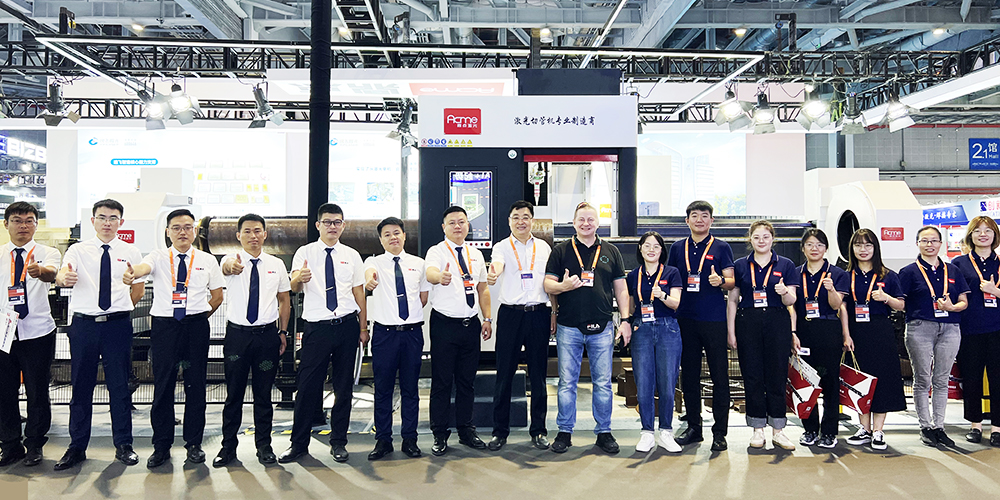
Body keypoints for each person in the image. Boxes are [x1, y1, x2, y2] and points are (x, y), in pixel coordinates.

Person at [124, 208, 225, 468]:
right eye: (177, 227)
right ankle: (161, 446)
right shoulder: (158, 256)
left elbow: (217, 297)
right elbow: (143, 268)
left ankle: (194, 444)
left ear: (195, 231)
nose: (182, 232)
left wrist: (198, 317)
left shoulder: (207, 260)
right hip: (165, 327)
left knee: (196, 386)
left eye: (188, 227)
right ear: (168, 232)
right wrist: (133, 273)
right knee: (163, 386)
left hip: (195, 327)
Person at [54, 199, 145, 470]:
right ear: (93, 221)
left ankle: (124, 445)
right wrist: (63, 278)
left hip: (117, 326)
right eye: (102, 217)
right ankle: (76, 446)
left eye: (113, 218)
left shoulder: (131, 251)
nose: (107, 222)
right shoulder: (78, 250)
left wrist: (121, 308)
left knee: (119, 386)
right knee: (81, 386)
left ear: (121, 222)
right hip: (84, 326)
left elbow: (138, 289)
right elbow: (63, 273)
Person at [279, 203, 368, 463]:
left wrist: (363, 327)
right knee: (307, 387)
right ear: (318, 225)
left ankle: (338, 442)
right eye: (327, 222)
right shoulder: (305, 252)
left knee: (344, 387)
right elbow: (293, 286)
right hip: (317, 328)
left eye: (337, 222)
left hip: (346, 326)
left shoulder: (352, 255)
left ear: (343, 225)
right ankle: (298, 444)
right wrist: (300, 278)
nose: (332, 226)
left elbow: (359, 292)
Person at [544, 201, 630, 455]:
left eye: (590, 219)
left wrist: (625, 320)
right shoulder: (560, 250)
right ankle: (564, 431)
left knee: (603, 383)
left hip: (602, 326)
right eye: (581, 219)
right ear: (574, 223)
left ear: (598, 223)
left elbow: (621, 289)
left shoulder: (611, 251)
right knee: (566, 383)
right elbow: (547, 284)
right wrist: (564, 286)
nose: (586, 223)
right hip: (568, 326)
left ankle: (604, 432)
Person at [213, 214, 291, 467]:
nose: (253, 235)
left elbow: (284, 300)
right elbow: (227, 267)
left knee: (264, 394)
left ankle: (264, 446)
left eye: (257, 230)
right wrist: (231, 267)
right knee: (234, 394)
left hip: (266, 338)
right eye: (247, 231)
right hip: (238, 337)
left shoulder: (276, 264)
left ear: (265, 234)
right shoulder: (230, 259)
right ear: (238, 236)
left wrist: (283, 332)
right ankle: (228, 447)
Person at [667, 200, 735, 451]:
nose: (699, 220)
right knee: (690, 375)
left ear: (711, 220)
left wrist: (721, 281)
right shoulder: (677, 248)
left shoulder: (722, 247)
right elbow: (669, 278)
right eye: (694, 215)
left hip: (714, 320)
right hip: (685, 319)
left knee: (720, 376)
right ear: (687, 221)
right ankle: (694, 427)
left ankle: (720, 432)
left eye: (704, 215)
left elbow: (732, 280)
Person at [424, 206, 492, 456]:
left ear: (468, 226)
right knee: (442, 382)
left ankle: (466, 430)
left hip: (470, 325)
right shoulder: (436, 251)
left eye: (461, 222)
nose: (457, 226)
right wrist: (438, 277)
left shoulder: (476, 254)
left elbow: (482, 288)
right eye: (452, 222)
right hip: (444, 325)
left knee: (467, 382)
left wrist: (487, 318)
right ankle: (439, 434)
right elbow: (430, 273)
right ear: (444, 227)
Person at [486, 200, 553, 451]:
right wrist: (493, 273)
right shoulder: (502, 247)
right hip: (511, 315)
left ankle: (539, 430)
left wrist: (554, 312)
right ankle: (499, 432)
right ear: (509, 221)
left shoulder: (544, 248)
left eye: (525, 217)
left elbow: (550, 280)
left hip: (538, 313)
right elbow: (497, 264)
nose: (521, 221)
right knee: (504, 374)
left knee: (538, 375)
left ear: (532, 221)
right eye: (516, 217)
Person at [727, 220, 799, 450]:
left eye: (766, 237)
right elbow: (732, 300)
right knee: (752, 375)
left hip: (777, 321)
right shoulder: (740, 265)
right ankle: (757, 428)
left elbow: (792, 300)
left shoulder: (786, 264)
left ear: (773, 239)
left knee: (777, 375)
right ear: (750, 239)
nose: (761, 241)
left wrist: (784, 291)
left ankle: (779, 430)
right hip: (748, 321)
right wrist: (731, 331)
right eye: (756, 237)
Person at [364, 217, 430, 460]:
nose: (393, 237)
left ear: (404, 236)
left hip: (412, 334)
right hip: (385, 335)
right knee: (383, 389)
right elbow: (369, 275)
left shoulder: (419, 264)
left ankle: (410, 439)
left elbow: (423, 297)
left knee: (411, 388)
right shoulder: (373, 262)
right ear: (381, 240)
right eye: (387, 234)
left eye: (396, 233)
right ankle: (383, 440)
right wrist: (370, 280)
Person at [899, 225, 970, 448]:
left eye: (934, 241)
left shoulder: (953, 270)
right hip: (920, 327)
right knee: (922, 379)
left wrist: (951, 307)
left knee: (942, 379)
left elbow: (964, 302)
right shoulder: (908, 271)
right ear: (917, 243)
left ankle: (939, 426)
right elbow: (901, 303)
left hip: (950, 328)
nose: (929, 245)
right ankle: (925, 426)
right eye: (925, 241)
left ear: (941, 243)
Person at [0, 202, 59, 467]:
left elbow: (52, 274)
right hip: (3, 332)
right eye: (17, 220)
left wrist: (40, 271)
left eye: (29, 221)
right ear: (6, 224)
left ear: (36, 224)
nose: (23, 226)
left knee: (37, 390)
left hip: (37, 332)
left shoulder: (48, 253)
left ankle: (35, 444)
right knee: (4, 391)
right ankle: (9, 445)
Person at [842, 228, 906, 451]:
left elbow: (902, 305)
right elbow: (842, 307)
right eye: (858, 245)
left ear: (875, 248)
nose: (863, 249)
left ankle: (878, 430)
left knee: (882, 380)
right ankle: (864, 428)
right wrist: (846, 334)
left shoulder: (888, 275)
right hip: (856, 333)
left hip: (881, 331)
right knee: (860, 380)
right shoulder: (845, 275)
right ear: (852, 248)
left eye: (868, 245)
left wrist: (886, 298)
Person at [623, 231, 683, 453]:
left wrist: (662, 296)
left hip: (668, 327)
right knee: (644, 381)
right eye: (647, 245)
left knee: (667, 381)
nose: (651, 250)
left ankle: (666, 431)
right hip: (642, 328)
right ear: (640, 249)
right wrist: (627, 323)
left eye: (656, 246)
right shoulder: (633, 275)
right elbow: (630, 305)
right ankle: (647, 432)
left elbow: (676, 303)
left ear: (661, 250)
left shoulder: (672, 272)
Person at [793, 229, 851, 449]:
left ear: (826, 248)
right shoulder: (795, 273)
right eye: (809, 244)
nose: (814, 248)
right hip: (803, 331)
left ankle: (829, 431)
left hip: (828, 330)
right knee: (805, 383)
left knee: (830, 383)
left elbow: (838, 306)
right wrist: (793, 333)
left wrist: (831, 290)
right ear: (803, 248)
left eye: (819, 244)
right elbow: (792, 307)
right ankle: (809, 429)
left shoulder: (837, 273)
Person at [952, 216, 1000, 446]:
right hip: (969, 330)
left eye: (988, 230)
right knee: (971, 379)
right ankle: (975, 425)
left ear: (995, 235)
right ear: (970, 235)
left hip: (998, 330)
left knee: (998, 379)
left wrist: (995, 291)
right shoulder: (958, 264)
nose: (983, 234)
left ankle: (997, 428)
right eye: (977, 230)